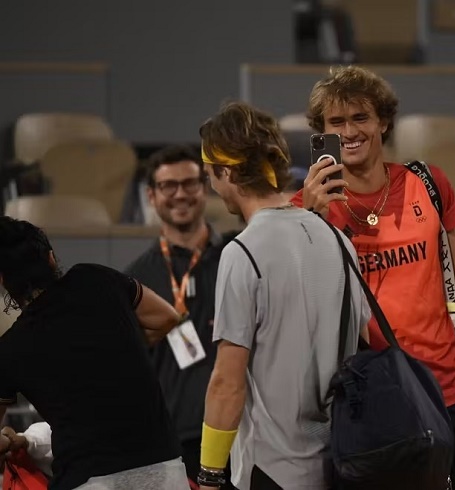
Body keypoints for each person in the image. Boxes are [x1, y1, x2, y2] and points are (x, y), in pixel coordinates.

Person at [291, 65, 455, 489]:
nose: (350, 131)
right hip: (374, 406)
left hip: (450, 395)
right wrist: (311, 220)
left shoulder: (429, 184)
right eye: (336, 122)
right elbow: (302, 311)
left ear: (383, 122)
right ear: (321, 132)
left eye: (360, 117)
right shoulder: (304, 209)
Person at [197, 101, 370, 490]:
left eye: (211, 175)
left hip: (271, 470)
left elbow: (227, 382)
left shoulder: (241, 252)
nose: (212, 186)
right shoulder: (339, 241)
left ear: (227, 172)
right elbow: (359, 341)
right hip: (337, 467)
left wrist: (209, 474)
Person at [0, 216, 189, 490]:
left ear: (4, 280)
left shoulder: (10, 347)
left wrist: (10, 440)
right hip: (163, 470)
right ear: (50, 258)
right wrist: (118, 349)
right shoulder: (96, 278)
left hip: (88, 478)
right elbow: (167, 317)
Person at [124, 145, 237, 488]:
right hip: (172, 443)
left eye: (189, 183)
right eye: (168, 186)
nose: (180, 194)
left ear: (205, 187)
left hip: (240, 432)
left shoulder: (237, 257)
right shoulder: (134, 280)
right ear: (151, 195)